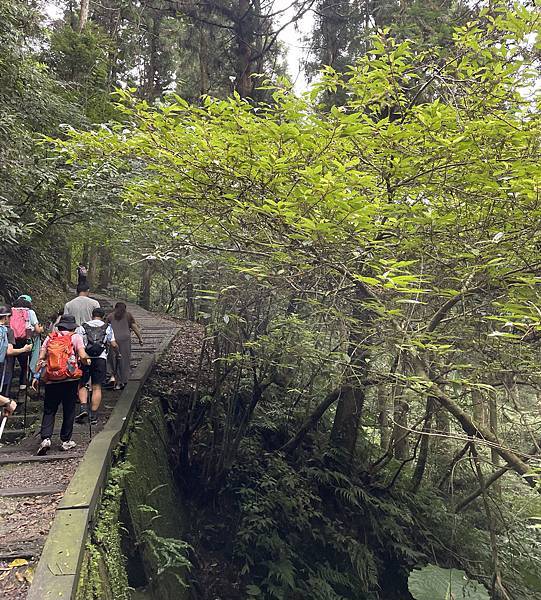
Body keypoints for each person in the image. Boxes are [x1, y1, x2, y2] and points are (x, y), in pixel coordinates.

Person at [33, 314, 91, 455]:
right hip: (70, 379)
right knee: (69, 409)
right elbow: (83, 356)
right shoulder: (75, 337)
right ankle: (65, 441)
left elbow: (41, 358)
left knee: (49, 409)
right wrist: (87, 362)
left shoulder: (51, 337)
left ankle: (46, 438)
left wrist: (36, 376)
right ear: (72, 327)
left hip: (51, 379)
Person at [76, 307, 118, 425]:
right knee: (97, 387)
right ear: (103, 316)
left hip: (85, 358)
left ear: (92, 315)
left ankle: (83, 408)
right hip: (100, 358)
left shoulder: (82, 327)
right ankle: (93, 415)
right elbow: (113, 343)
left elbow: (78, 344)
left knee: (83, 383)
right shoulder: (107, 327)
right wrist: (117, 352)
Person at [106, 302, 143, 390]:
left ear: (115, 308)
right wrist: (140, 338)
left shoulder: (110, 316)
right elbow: (134, 327)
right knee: (124, 360)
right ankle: (121, 381)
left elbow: (106, 328)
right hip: (125, 340)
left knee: (112, 359)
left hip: (113, 340)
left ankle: (112, 377)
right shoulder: (128, 315)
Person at [10, 295, 43, 390]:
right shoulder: (30, 312)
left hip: (11, 340)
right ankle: (22, 388)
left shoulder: (11, 311)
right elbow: (37, 330)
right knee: (24, 366)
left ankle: (5, 390)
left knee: (9, 365)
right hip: (24, 341)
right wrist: (41, 329)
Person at [0, 306, 32, 398]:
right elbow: (9, 351)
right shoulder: (8, 331)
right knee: (3, 390)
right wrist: (24, 349)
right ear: (6, 317)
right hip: (3, 365)